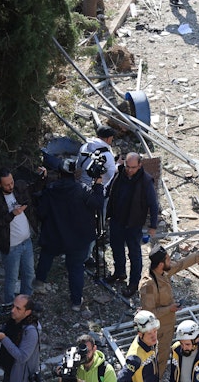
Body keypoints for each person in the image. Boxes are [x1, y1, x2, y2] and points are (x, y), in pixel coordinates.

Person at [34, 155, 106, 313]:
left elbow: (41, 212)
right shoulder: (82, 190)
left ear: (59, 172)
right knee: (76, 268)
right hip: (78, 238)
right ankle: (75, 302)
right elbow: (97, 204)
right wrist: (98, 185)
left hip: (54, 235)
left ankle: (39, 283)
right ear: (74, 173)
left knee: (46, 256)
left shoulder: (51, 189)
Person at [138, 241, 199, 372]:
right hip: (158, 330)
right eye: (168, 259)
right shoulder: (149, 284)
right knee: (158, 359)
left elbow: (182, 263)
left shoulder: (163, 272)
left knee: (162, 357)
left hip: (167, 325)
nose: (171, 261)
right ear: (160, 264)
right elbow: (148, 313)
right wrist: (169, 309)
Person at [105, 152, 160, 298]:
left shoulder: (146, 180)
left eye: (133, 167)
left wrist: (153, 225)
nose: (129, 170)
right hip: (117, 219)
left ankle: (134, 284)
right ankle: (119, 272)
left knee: (134, 254)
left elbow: (153, 205)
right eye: (128, 166)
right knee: (116, 247)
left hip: (133, 223)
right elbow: (109, 189)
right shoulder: (120, 173)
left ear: (140, 165)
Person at [0, 167, 43, 303]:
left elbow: (34, 188)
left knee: (29, 274)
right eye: (7, 184)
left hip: (26, 242)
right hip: (11, 246)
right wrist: (12, 214)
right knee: (12, 279)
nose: (10, 186)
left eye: (11, 182)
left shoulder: (19, 187)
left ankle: (26, 304)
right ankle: (9, 306)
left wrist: (42, 177)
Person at [80, 125, 118, 270]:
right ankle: (87, 256)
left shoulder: (84, 147)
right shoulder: (107, 155)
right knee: (96, 225)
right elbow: (110, 175)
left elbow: (78, 166)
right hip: (98, 194)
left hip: (81, 190)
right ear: (108, 138)